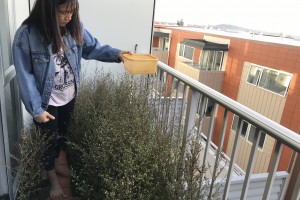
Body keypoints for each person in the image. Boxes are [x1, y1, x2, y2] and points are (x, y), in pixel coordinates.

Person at [12, 0, 131, 199]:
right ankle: (53, 181)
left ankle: (58, 165)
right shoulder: (26, 35)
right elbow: (25, 76)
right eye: (64, 12)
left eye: (72, 12)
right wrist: (36, 110)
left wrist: (117, 54)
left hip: (69, 95)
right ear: (48, 10)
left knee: (62, 134)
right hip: (45, 102)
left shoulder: (73, 27)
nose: (69, 17)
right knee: (48, 142)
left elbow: (93, 48)